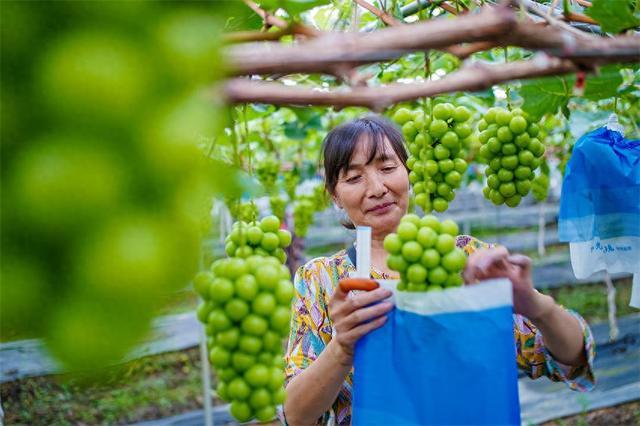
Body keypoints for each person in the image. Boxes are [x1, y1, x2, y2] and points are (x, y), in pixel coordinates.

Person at [282, 115, 595, 426]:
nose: (377, 188)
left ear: (409, 171)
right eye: (353, 178)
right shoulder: (322, 279)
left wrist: (535, 305)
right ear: (335, 195)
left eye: (388, 168)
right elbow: (296, 416)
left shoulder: (469, 260)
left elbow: (571, 358)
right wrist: (341, 348)